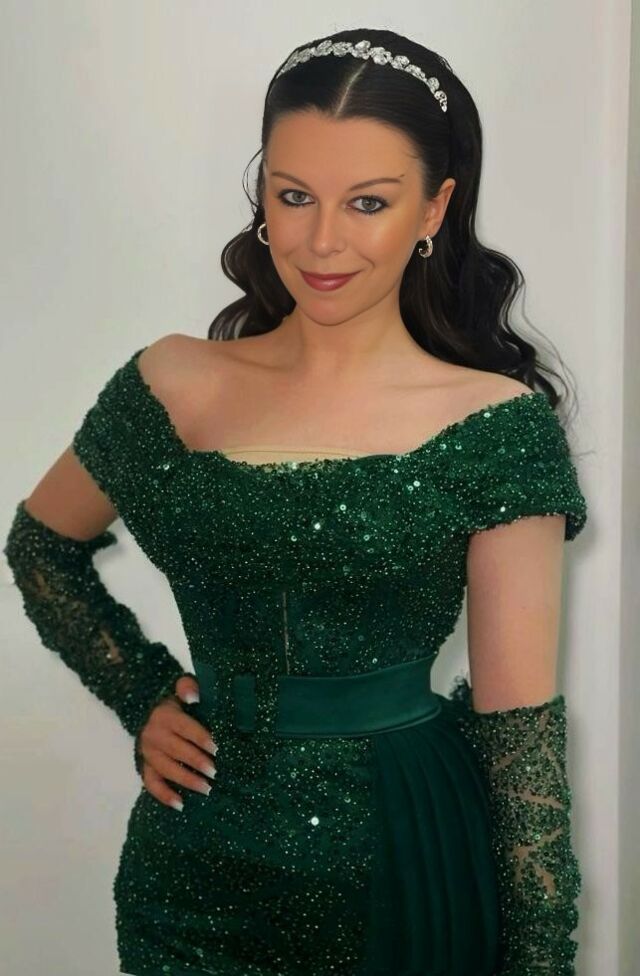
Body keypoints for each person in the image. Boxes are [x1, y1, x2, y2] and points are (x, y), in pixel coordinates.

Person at [3, 27, 589, 976]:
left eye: (368, 203)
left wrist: (541, 962)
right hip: (189, 874)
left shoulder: (496, 424)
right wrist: (140, 691)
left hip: (405, 858)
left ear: (435, 207)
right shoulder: (172, 381)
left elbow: (521, 744)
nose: (322, 241)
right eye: (294, 196)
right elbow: (40, 546)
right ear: (263, 197)